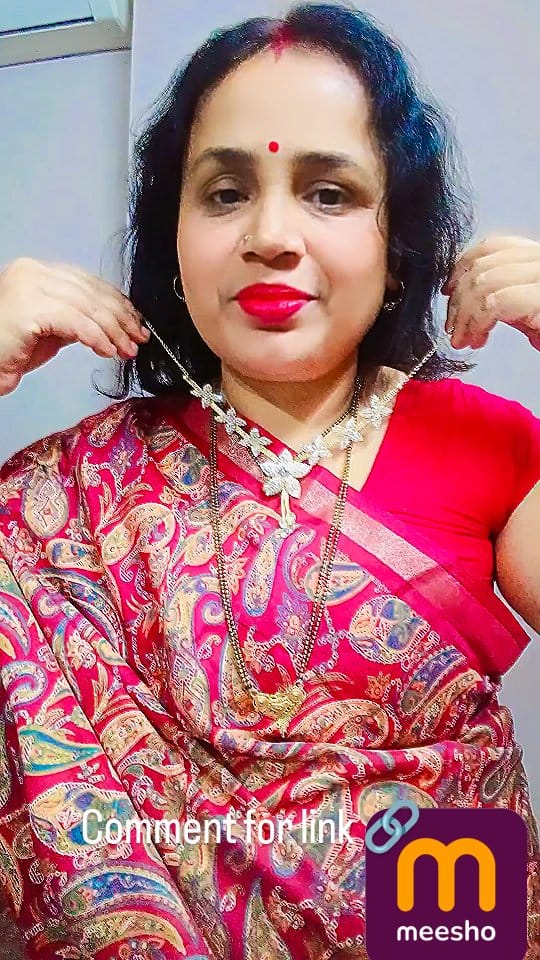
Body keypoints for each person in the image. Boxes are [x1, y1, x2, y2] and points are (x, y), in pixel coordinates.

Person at [0, 3, 539, 958]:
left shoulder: (487, 446)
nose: (271, 235)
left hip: (440, 926)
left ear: (398, 242)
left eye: (329, 193)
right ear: (173, 235)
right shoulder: (66, 494)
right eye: (224, 193)